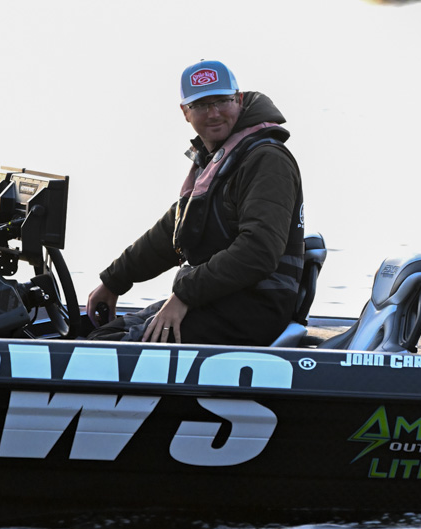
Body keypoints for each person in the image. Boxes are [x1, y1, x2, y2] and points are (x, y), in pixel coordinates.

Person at [86, 60, 305, 345]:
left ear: (238, 100)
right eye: (200, 105)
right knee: (104, 334)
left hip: (253, 309)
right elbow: (173, 230)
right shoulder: (218, 156)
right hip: (217, 299)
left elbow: (258, 251)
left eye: (222, 101)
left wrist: (184, 295)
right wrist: (114, 280)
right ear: (185, 112)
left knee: (111, 346)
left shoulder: (267, 160)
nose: (213, 113)